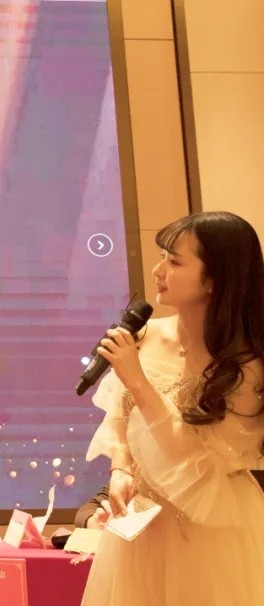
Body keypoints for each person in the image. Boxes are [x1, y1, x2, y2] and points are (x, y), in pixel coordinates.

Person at [81, 211, 264, 604]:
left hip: (209, 530)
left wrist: (138, 381)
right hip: (142, 525)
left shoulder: (245, 365)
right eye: (162, 257)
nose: (158, 270)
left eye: (175, 262)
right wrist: (120, 468)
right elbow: (120, 414)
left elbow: (193, 457)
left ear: (215, 279)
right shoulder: (145, 335)